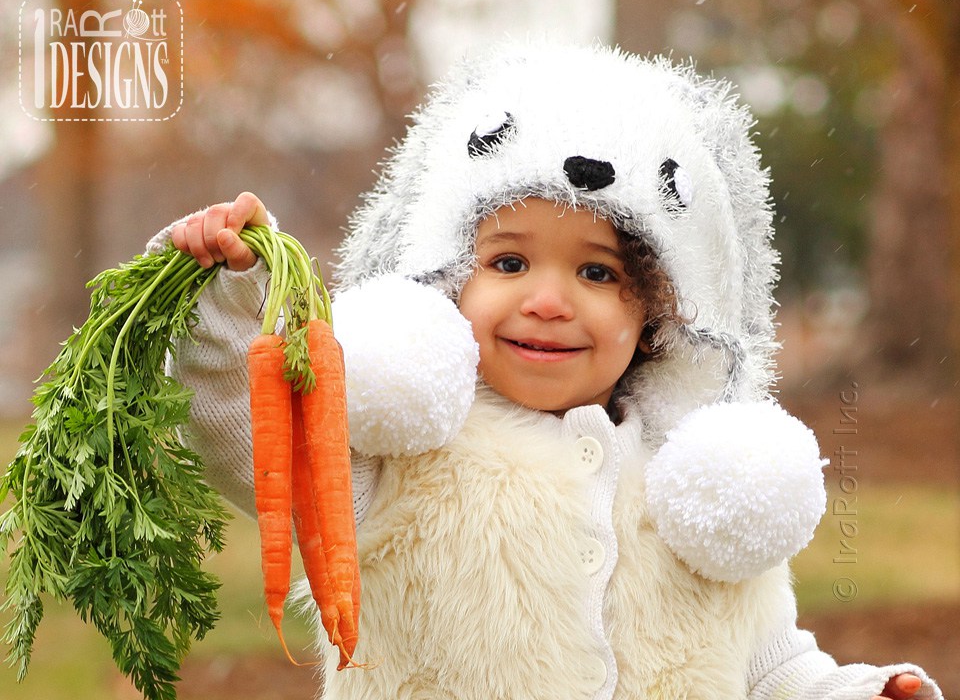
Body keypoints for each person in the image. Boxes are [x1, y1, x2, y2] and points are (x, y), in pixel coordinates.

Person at [149, 42, 944, 700]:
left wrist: (859, 692)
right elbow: (245, 433)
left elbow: (774, 668)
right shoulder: (389, 465)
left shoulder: (696, 497)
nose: (548, 300)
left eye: (597, 274)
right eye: (509, 260)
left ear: (656, 315)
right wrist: (224, 290)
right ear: (450, 281)